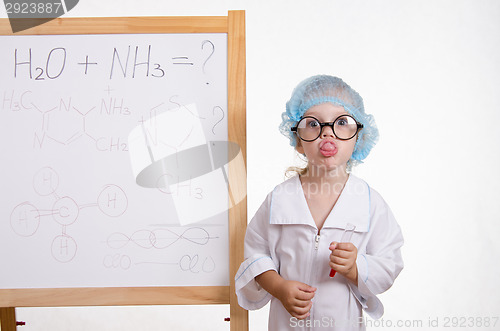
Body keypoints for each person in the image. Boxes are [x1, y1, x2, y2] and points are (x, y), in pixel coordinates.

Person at [235, 75, 404, 330]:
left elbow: (390, 262)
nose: (327, 132)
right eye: (312, 123)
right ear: (298, 140)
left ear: (358, 136)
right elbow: (255, 255)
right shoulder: (280, 199)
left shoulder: (369, 203)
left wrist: (356, 266)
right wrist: (279, 287)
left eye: (342, 122)